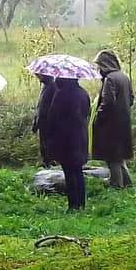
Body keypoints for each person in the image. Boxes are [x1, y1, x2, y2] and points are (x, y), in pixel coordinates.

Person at [47, 75, 91, 211]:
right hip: (81, 136)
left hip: (65, 138)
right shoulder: (83, 93)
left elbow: (53, 118)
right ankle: (81, 203)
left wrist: (51, 139)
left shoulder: (60, 95)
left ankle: (73, 204)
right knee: (78, 171)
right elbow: (87, 112)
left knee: (68, 171)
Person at [92, 50, 135, 189]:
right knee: (119, 156)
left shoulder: (110, 79)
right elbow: (131, 99)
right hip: (123, 122)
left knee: (112, 157)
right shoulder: (123, 77)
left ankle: (116, 184)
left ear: (105, 64)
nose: (98, 69)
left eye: (99, 65)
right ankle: (127, 183)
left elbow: (108, 103)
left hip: (111, 125)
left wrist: (98, 117)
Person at [33, 74, 55, 166]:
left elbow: (49, 106)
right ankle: (46, 162)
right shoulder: (45, 87)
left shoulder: (52, 87)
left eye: (39, 75)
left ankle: (49, 163)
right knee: (43, 144)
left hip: (48, 122)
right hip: (42, 121)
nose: (37, 76)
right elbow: (40, 106)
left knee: (48, 144)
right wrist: (35, 121)